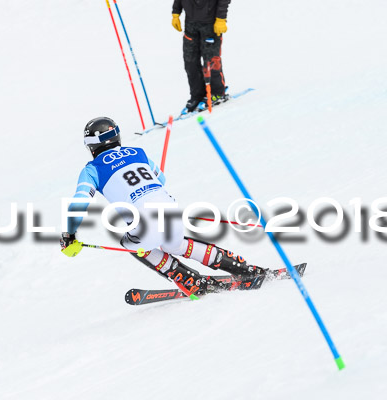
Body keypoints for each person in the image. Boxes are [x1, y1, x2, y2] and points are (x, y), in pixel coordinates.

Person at [60, 117, 266, 296]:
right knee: (174, 245)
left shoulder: (92, 169)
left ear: (92, 147)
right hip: (170, 210)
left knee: (133, 244)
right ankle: (243, 268)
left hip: (142, 223)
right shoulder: (138, 153)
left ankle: (189, 280)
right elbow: (162, 178)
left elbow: (79, 204)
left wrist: (69, 235)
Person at [171, 0, 231, 112]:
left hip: (211, 24)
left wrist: (221, 19)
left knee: (210, 61)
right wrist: (176, 13)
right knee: (190, 62)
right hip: (190, 24)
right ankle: (197, 95)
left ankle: (217, 93)